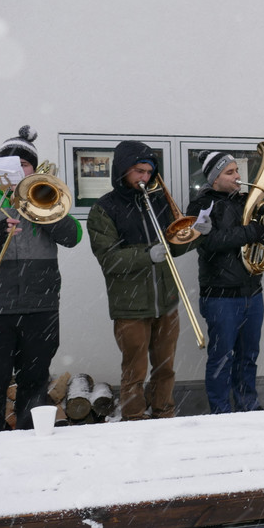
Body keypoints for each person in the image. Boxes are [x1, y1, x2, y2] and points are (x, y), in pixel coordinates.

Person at [0, 125, 82, 432]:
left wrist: (44, 208)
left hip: (40, 307)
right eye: (9, 163)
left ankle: (31, 449)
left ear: (33, 168)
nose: (17, 169)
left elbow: (73, 236)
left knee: (35, 382)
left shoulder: (45, 196)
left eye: (23, 163)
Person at [88, 140, 203, 421]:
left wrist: (197, 235)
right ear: (122, 170)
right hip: (130, 306)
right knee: (134, 372)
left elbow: (172, 248)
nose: (145, 178)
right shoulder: (104, 209)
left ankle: (165, 413)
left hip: (166, 301)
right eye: (139, 171)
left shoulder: (158, 201)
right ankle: (134, 420)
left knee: (166, 369)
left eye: (149, 172)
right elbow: (110, 259)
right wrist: (146, 254)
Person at [185, 151, 264, 413]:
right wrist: (252, 231)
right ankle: (221, 413)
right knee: (221, 359)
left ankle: (248, 406)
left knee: (248, 358)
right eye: (229, 172)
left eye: (236, 171)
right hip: (220, 296)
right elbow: (209, 243)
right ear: (214, 179)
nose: (237, 176)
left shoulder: (248, 201)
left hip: (252, 292)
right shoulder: (199, 207)